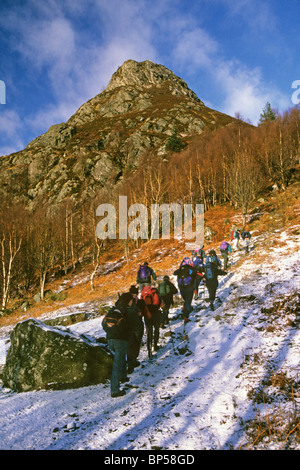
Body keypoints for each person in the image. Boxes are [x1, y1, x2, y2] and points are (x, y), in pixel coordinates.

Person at [102, 293, 132, 398]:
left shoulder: (113, 310)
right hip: (120, 341)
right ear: (128, 301)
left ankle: (123, 377)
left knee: (121, 358)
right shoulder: (125, 311)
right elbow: (128, 326)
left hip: (110, 339)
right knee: (117, 365)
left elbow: (103, 324)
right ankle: (115, 390)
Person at [126, 286, 145, 373]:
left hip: (128, 326)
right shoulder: (140, 301)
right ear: (137, 293)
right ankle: (134, 359)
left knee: (129, 345)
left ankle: (130, 363)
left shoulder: (125, 301)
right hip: (137, 325)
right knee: (137, 343)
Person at [140, 285, 161, 359]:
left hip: (147, 314)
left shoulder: (143, 294)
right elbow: (157, 302)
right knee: (157, 330)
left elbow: (141, 304)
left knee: (149, 332)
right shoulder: (155, 292)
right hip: (155, 313)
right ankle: (155, 346)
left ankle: (149, 351)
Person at [174, 257, 197, 324]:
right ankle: (186, 317)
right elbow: (194, 278)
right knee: (188, 302)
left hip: (182, 289)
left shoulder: (180, 269)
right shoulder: (191, 269)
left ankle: (184, 308)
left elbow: (175, 273)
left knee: (186, 300)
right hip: (189, 288)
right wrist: (195, 289)